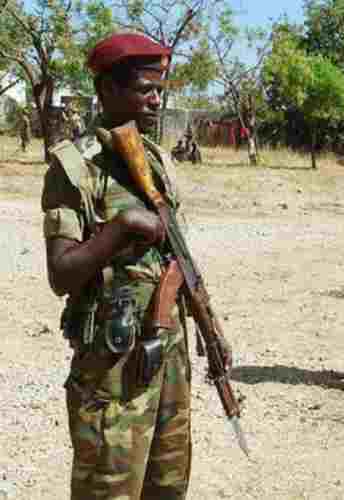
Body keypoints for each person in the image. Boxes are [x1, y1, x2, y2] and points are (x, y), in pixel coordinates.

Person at [41, 32, 230, 499]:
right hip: (113, 366)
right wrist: (121, 226)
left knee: (167, 485)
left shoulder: (155, 158)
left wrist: (213, 330)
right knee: (109, 489)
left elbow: (176, 258)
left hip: (167, 356)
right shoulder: (74, 168)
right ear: (107, 90)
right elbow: (61, 274)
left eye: (159, 90)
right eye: (144, 89)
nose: (155, 100)